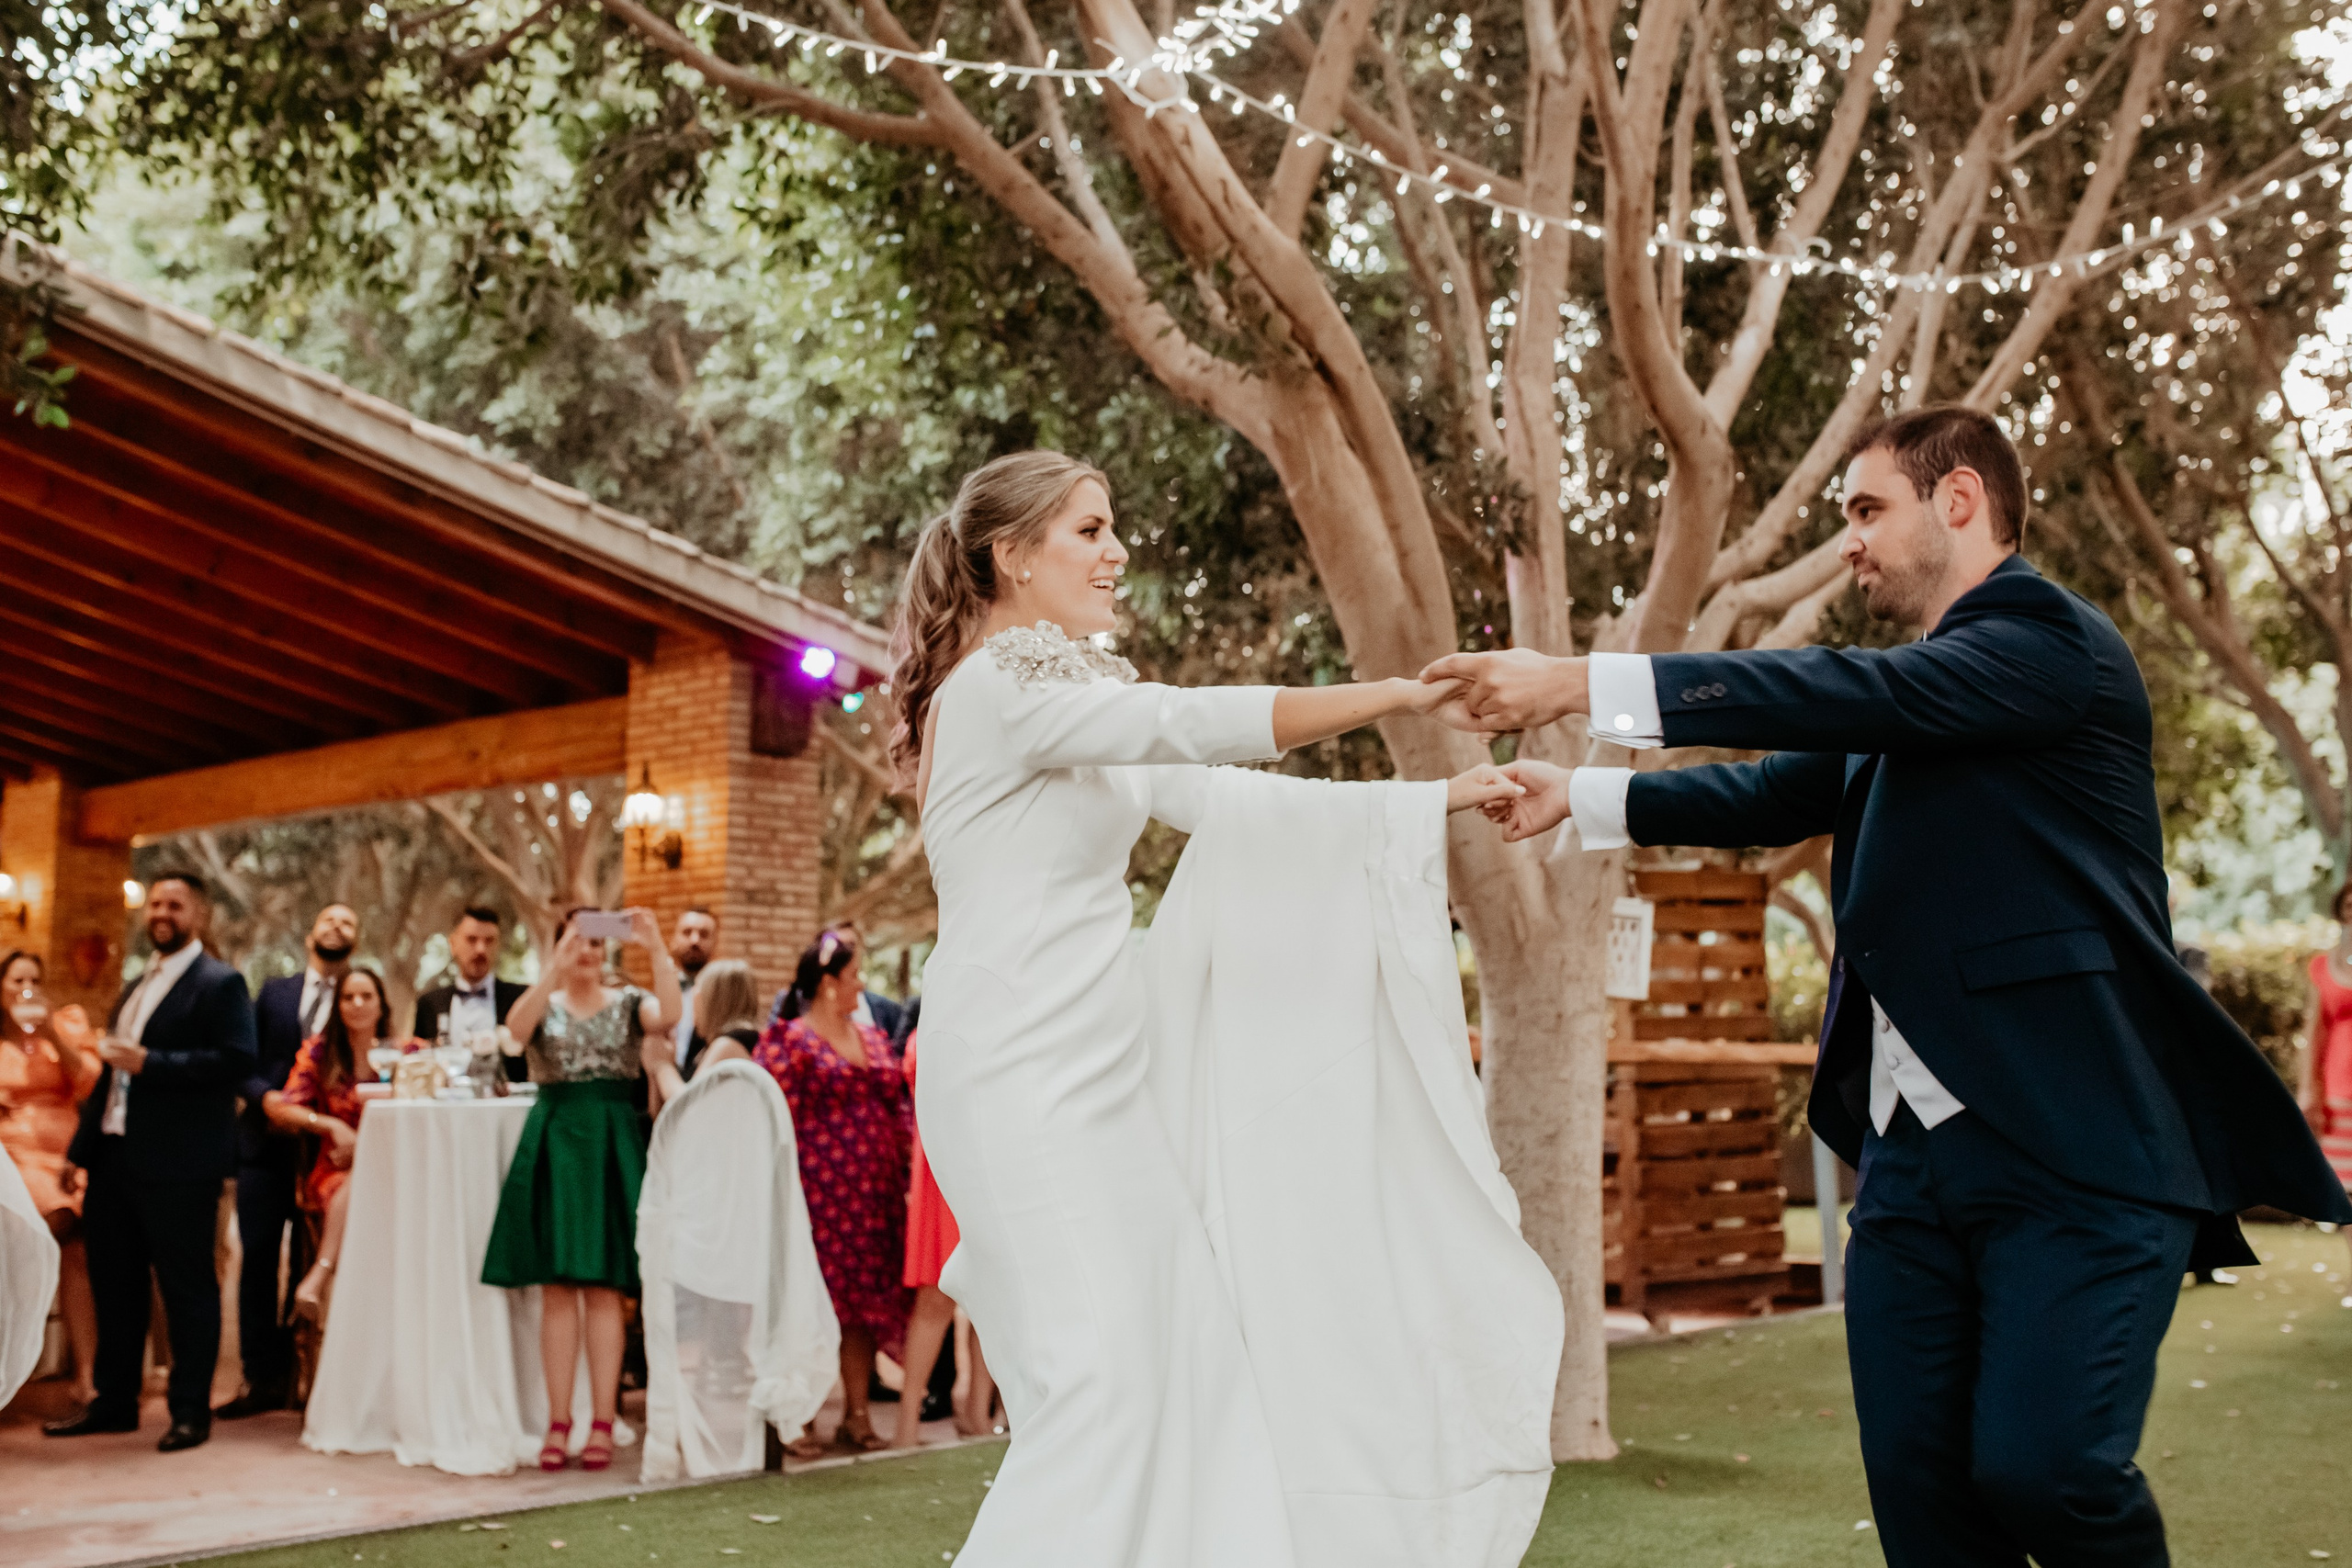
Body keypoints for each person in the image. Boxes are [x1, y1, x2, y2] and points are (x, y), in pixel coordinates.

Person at [1441, 403, 2352, 1568]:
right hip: (1909, 1167)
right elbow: (1774, 790)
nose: (1850, 543)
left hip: (2075, 1152)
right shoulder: (1916, 694)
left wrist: (1575, 682)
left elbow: (1838, 693)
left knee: (2047, 1472)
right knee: (1923, 1503)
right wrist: (1578, 795)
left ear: (1957, 499)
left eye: (1867, 510)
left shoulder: (2047, 646)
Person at [899, 451, 1557, 1568]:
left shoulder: (1073, 695)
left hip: (1103, 1079)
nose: (1116, 553)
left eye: (1113, 529)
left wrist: (1428, 802)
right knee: (1102, 1385)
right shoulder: (1000, 682)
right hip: (1016, 1077)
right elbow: (1190, 724)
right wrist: (1400, 694)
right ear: (1010, 556)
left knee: (1185, 1365)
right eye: (1089, 531)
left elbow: (1216, 794)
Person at [50, 873, 258, 1452]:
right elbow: (111, 1076)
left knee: (186, 1289)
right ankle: (115, 1402)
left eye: (175, 905)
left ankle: (190, 1412)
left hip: (180, 1162)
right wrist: (80, 1151)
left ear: (200, 916)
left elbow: (237, 1059)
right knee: (115, 1284)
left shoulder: (220, 983)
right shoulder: (138, 985)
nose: (162, 913)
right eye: (156, 904)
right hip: (114, 1157)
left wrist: (154, 1063)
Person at [482, 907, 681, 1472]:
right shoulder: (542, 1004)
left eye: (596, 942)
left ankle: (602, 1420)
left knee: (604, 1288)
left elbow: (670, 1014)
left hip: (610, 1144)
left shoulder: (629, 1002)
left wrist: (655, 944)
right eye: (577, 941)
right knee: (557, 1287)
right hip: (555, 1142)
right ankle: (557, 1420)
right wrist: (554, 966)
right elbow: (515, 1034)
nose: (587, 951)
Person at [753, 930, 912, 1456]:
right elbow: (771, 1117)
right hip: (817, 1195)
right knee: (809, 1301)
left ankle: (857, 1413)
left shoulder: (870, 1037)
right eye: (853, 975)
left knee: (863, 1306)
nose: (860, 985)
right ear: (827, 983)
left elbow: (897, 1107)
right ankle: (796, 1417)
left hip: (874, 1196)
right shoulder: (790, 1041)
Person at [220, 902, 357, 1418]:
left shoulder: (357, 997)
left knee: (310, 1258)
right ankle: (259, 1377)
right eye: (329, 920)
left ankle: (304, 1375)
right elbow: (244, 1061)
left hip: (325, 1152)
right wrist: (267, 1099)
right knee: (257, 1257)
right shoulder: (275, 993)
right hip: (265, 1143)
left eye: (347, 923)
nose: (336, 928)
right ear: (310, 935)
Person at [264, 967, 407, 1326]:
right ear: (337, 1006)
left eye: (366, 996)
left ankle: (320, 1274)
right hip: (337, 1168)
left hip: (398, 1163)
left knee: (373, 1175)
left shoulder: (406, 1053)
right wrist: (330, 1125)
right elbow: (283, 1107)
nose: (357, 1004)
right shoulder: (320, 1052)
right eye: (348, 997)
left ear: (381, 1004)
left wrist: (367, 1147)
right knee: (362, 1178)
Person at [0, 953, 100, 1404]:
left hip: (65, 1152)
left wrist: (52, 1037)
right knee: (54, 1227)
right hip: (13, 1152)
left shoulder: (63, 1026)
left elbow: (89, 1083)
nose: (27, 989)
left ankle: (86, 1375)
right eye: (17, 980)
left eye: (35, 980)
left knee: (77, 1250)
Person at [892, 1028, 991, 1447]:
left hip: (987, 1169)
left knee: (991, 1297)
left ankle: (978, 1415)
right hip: (946, 1173)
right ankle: (905, 1427)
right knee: (935, 1298)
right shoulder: (932, 1032)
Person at [2302, 881, 2352, 1308]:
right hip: (2339, 1088)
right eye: (2349, 905)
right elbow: (2314, 1031)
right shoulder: (2322, 966)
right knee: (2349, 1192)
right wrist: (2308, 1091)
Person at [413, 906, 526, 1081]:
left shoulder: (520, 999)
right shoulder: (429, 1004)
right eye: (471, 939)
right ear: (453, 944)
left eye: (489, 941)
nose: (481, 949)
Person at [680, 958, 762, 1080]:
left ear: (713, 1001)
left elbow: (692, 1092)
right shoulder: (706, 1041)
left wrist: (662, 1066)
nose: (693, 1005)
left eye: (698, 995)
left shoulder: (731, 1043)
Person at [668, 908, 718, 1068]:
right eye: (687, 932)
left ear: (715, 942)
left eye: (704, 934)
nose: (695, 940)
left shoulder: (722, 998)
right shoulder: (662, 991)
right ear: (673, 939)